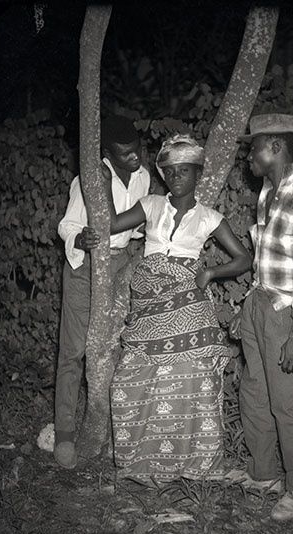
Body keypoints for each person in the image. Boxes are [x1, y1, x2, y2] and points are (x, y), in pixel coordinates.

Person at [101, 133, 252, 484]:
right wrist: (106, 185)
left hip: (189, 304)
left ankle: (192, 463)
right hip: (148, 303)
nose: (176, 178)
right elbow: (111, 223)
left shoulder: (210, 217)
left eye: (184, 171)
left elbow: (244, 258)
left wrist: (211, 272)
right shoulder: (151, 204)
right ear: (163, 174)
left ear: (198, 174)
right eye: (170, 171)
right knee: (131, 379)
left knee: (192, 381)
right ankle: (142, 460)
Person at [230, 113, 293, 521]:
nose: (248, 156)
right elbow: (264, 263)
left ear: (275, 146)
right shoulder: (266, 195)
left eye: (253, 147)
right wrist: (247, 306)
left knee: (288, 403)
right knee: (254, 393)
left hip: (287, 316)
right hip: (259, 305)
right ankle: (263, 474)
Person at [54, 115, 150, 470]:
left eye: (136, 150)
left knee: (114, 346)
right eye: (125, 154)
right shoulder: (90, 178)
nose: (134, 158)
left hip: (120, 264)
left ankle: (114, 427)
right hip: (86, 266)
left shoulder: (143, 177)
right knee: (74, 351)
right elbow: (66, 224)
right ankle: (64, 432)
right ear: (109, 152)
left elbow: (135, 225)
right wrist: (81, 238)